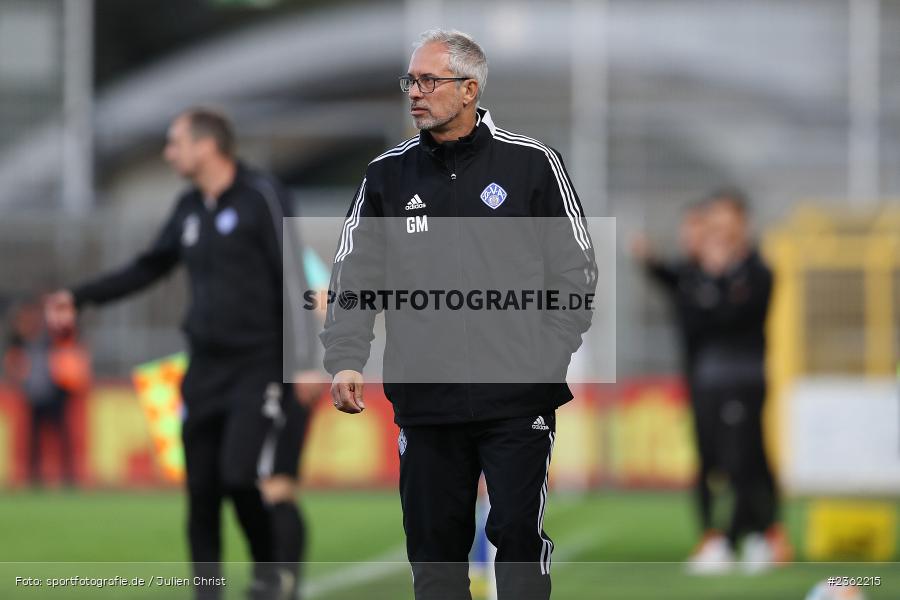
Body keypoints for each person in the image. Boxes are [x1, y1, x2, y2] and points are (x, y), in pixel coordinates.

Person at [321, 30, 597, 600]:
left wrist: (544, 357)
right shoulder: (386, 176)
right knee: (434, 552)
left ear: (469, 89)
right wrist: (346, 358)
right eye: (411, 82)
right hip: (427, 402)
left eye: (429, 81)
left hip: (517, 398)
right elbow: (354, 275)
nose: (414, 93)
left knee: (517, 537)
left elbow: (576, 272)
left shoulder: (533, 164)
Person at [45, 108, 321, 600]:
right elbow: (149, 266)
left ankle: (267, 573)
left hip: (257, 365)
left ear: (205, 146)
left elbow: (293, 277)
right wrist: (81, 295)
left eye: (175, 144)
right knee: (201, 496)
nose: (169, 153)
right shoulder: (189, 207)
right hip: (204, 370)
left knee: (241, 477)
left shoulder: (262, 195)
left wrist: (302, 360)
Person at [687, 189, 789, 573]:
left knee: (743, 460)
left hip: (742, 379)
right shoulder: (702, 272)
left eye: (725, 218)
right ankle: (754, 535)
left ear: (741, 223)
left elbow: (734, 319)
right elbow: (697, 322)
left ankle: (738, 540)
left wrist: (716, 287)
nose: (718, 226)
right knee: (714, 459)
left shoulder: (756, 271)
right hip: (709, 379)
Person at [630, 204, 723, 560]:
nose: (689, 239)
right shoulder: (687, 274)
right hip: (698, 377)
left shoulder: (724, 274)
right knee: (705, 457)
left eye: (696, 232)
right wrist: (647, 258)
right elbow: (665, 276)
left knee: (735, 459)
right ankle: (711, 535)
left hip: (728, 380)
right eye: (687, 232)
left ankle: (751, 531)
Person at [3, 297, 89, 487]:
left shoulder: (54, 338)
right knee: (33, 439)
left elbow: (72, 346)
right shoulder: (22, 340)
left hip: (56, 392)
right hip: (34, 394)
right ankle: (34, 477)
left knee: (62, 437)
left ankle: (69, 477)